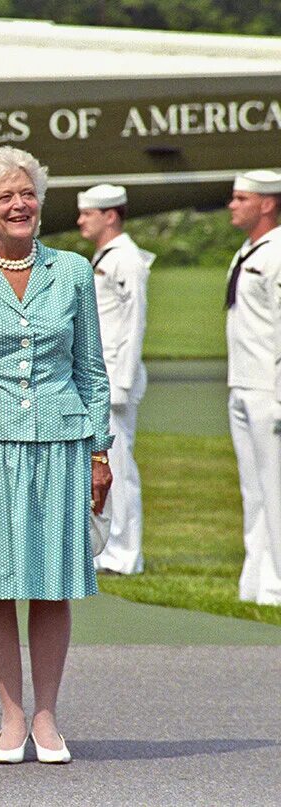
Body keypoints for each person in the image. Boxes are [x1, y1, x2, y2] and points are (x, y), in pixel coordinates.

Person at [0, 146, 113, 764]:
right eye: (5, 197)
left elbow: (91, 369)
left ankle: (47, 718)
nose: (20, 205)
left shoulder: (71, 270)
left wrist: (99, 451)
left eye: (27, 193)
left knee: (50, 585)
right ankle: (10, 718)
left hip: (60, 442)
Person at [77, 183, 153, 575]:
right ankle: (111, 548)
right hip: (101, 376)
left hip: (114, 379)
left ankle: (125, 553)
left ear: (110, 216)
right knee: (107, 465)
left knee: (118, 466)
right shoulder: (106, 256)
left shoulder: (126, 259)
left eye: (87, 214)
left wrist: (121, 383)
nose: (79, 221)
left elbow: (133, 323)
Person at [225, 169, 281, 606]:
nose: (232, 205)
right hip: (242, 383)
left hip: (269, 388)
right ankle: (259, 583)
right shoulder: (248, 250)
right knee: (254, 491)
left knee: (276, 489)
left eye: (241, 198)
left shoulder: (277, 252)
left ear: (267, 204)